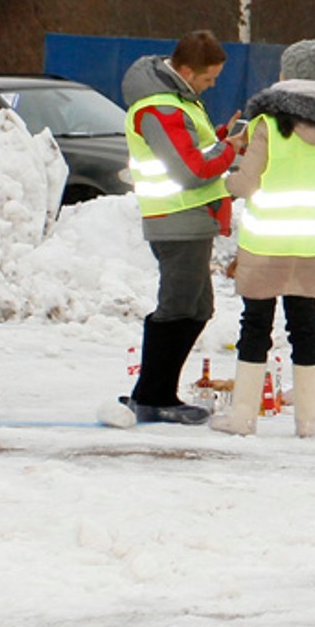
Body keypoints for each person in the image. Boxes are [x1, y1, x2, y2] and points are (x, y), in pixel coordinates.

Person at [211, 39, 315, 438]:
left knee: (256, 325)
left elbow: (247, 183)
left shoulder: (269, 124)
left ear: (285, 73)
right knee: (305, 325)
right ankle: (308, 421)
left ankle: (243, 417)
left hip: (266, 242)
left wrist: (221, 182)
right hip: (310, 244)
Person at [108, 30, 244, 426]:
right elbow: (190, 171)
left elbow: (188, 153)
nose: (212, 85)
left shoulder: (177, 102)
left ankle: (152, 391)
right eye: (208, 78)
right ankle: (154, 396)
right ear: (185, 71)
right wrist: (230, 150)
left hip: (189, 220)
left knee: (197, 308)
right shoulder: (162, 108)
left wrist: (221, 139)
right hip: (177, 220)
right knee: (179, 307)